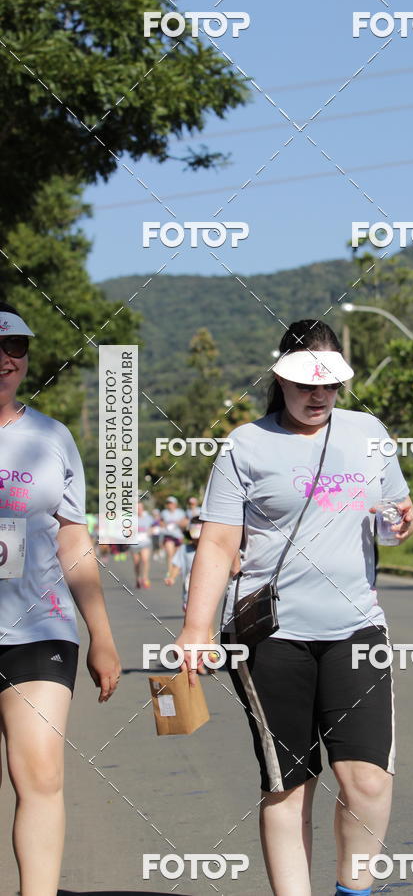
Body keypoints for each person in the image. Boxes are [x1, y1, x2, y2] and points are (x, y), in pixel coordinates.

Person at [175, 319, 413, 896]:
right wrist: (195, 627)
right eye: (306, 383)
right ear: (279, 378)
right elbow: (217, 542)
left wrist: (402, 518)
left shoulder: (368, 432)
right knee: (288, 785)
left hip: (357, 629)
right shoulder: (245, 445)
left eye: (330, 384)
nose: (318, 395)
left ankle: (352, 891)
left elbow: (396, 506)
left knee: (368, 782)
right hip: (272, 639)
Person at [0, 301, 121, 896]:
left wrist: (101, 633)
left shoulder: (51, 437)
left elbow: (74, 538)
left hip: (39, 629)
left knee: (40, 773)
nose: (5, 359)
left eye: (16, 348)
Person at [130, 501, 153, 589]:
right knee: (136, 563)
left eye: (140, 508)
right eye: (137, 508)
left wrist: (150, 531)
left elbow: (153, 527)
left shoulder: (148, 518)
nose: (139, 509)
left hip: (145, 542)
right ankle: (138, 578)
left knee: (145, 559)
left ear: (143, 508)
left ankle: (145, 578)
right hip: (134, 543)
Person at [160, 495, 185, 569]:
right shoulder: (164, 512)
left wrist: (177, 523)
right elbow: (161, 522)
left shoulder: (180, 512)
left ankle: (175, 571)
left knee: (177, 555)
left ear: (175, 504)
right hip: (168, 535)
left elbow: (184, 523)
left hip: (178, 535)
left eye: (171, 503)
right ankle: (170, 572)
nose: (169, 505)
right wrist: (165, 525)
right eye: (168, 503)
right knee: (170, 554)